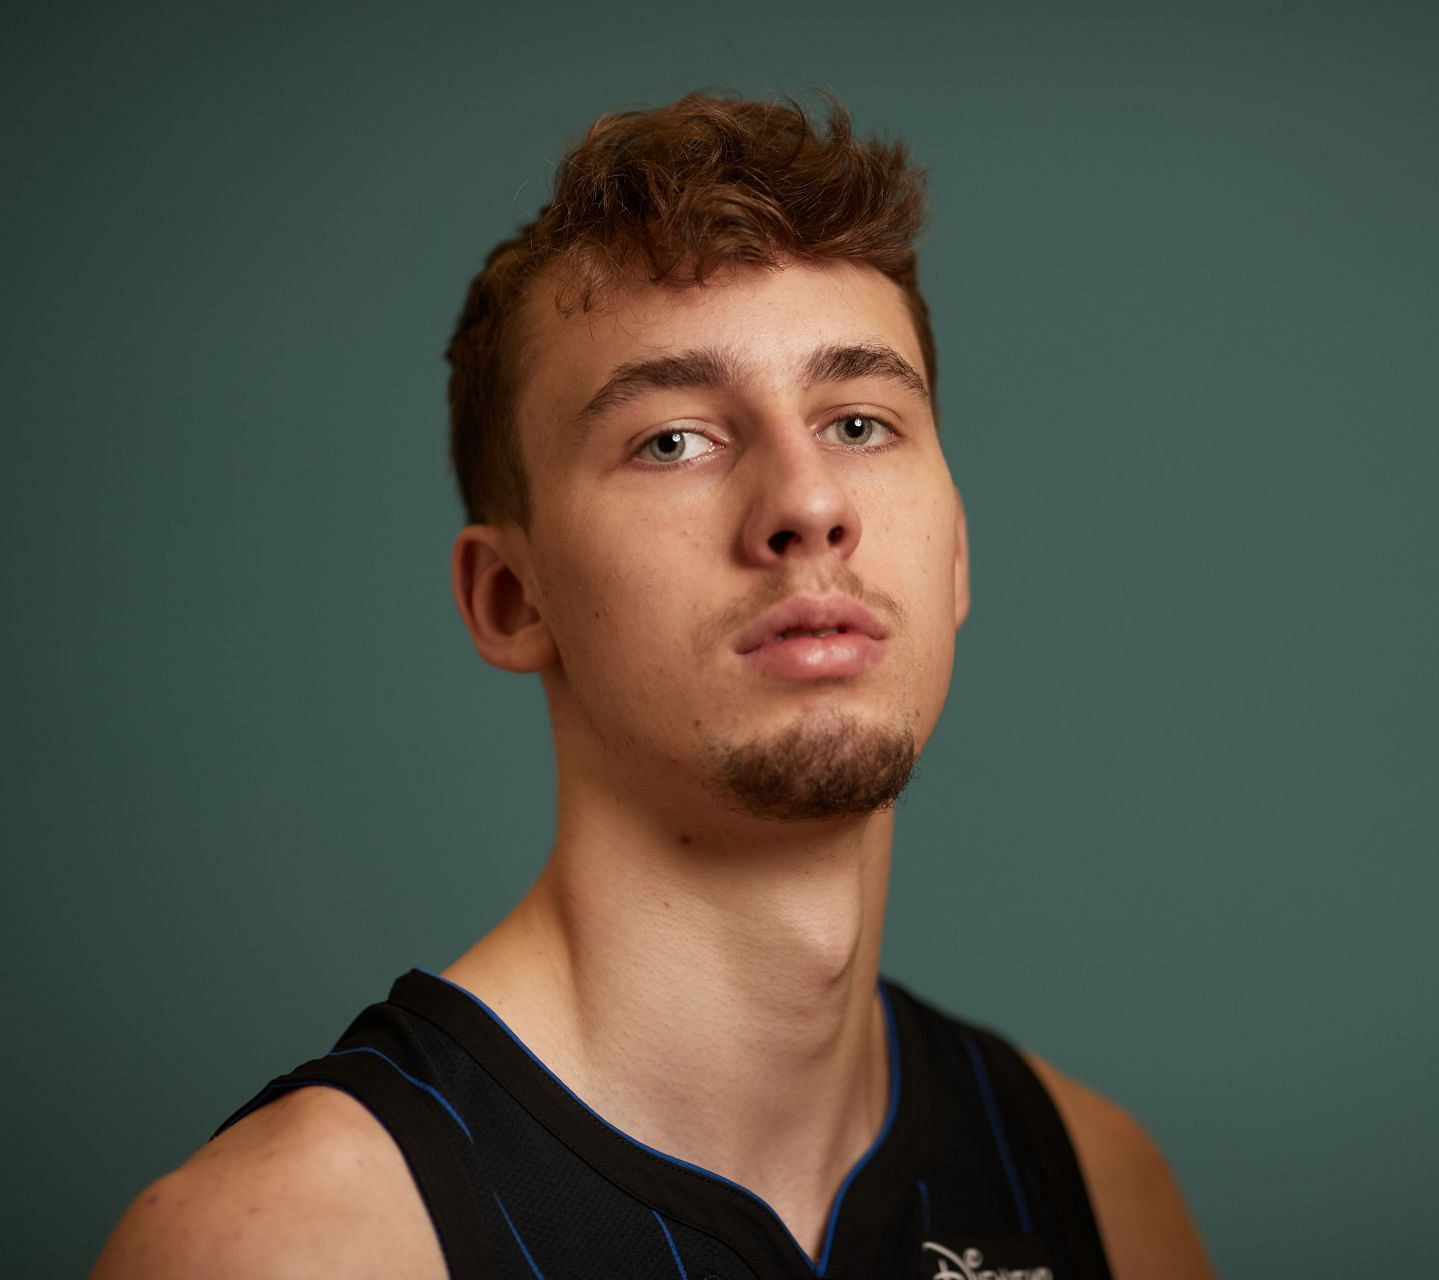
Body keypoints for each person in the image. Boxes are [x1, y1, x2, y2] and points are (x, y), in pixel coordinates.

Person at [92, 91, 1214, 1280]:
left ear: (957, 556)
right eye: (673, 438)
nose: (807, 503)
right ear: (510, 599)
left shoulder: (1096, 1187)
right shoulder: (297, 1240)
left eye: (861, 422)